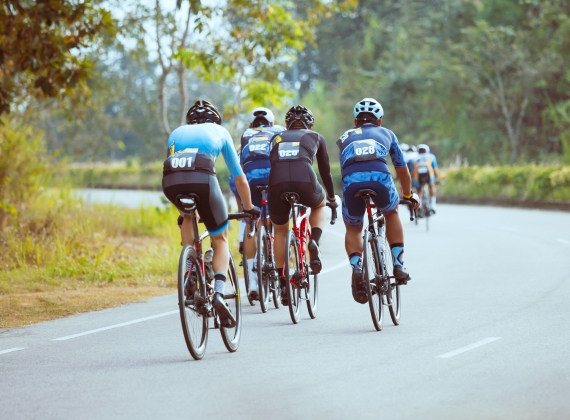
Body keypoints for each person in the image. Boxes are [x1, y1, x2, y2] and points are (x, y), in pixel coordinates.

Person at [162, 99, 260, 327]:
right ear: (214, 120)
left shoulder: (176, 132)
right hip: (203, 179)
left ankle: (189, 269)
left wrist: (186, 210)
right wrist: (248, 208)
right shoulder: (220, 131)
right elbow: (240, 178)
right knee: (220, 239)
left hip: (170, 182)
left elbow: (173, 166)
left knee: (187, 215)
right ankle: (217, 292)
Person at [337, 98, 419, 304]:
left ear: (355, 121)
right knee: (391, 213)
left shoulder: (344, 137)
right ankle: (398, 265)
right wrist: (408, 195)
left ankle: (356, 266)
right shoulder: (388, 134)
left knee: (353, 228)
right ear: (379, 121)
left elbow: (344, 169)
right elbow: (402, 170)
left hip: (351, 181)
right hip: (380, 178)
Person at [267, 105, 337, 304]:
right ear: (310, 124)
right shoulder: (315, 136)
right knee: (318, 204)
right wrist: (331, 199)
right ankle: (313, 241)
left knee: (280, 231)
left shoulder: (276, 138)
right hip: (304, 180)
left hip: (276, 181)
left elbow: (272, 164)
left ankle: (282, 282)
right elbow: (325, 172)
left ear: (287, 124)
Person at [239, 107, 285, 300]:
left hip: (250, 177)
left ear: (251, 124)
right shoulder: (279, 130)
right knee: (277, 221)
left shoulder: (246, 134)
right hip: (273, 176)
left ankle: (253, 282)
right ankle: (276, 257)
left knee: (252, 222)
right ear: (271, 124)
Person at [409, 143, 439, 214]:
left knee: (419, 190)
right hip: (429, 176)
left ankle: (420, 205)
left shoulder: (413, 159)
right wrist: (436, 178)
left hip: (418, 177)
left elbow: (412, 172)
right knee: (431, 187)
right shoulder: (431, 156)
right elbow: (435, 169)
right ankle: (433, 205)